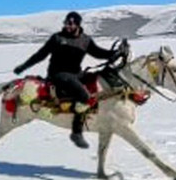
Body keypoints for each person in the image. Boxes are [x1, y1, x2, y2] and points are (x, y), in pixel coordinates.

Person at [12, 11, 116, 149]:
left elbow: (98, 53)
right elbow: (40, 55)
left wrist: (114, 53)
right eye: (66, 23)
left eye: (71, 23)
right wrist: (23, 66)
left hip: (77, 73)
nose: (67, 26)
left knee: (98, 81)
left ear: (78, 24)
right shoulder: (57, 38)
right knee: (84, 96)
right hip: (58, 74)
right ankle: (76, 132)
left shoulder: (85, 40)